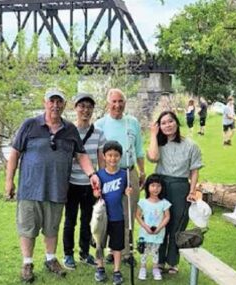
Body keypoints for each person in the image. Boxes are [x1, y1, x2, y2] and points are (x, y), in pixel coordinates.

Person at [5, 89, 100, 283]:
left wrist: (92, 174)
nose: (55, 105)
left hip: (57, 189)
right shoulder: (29, 125)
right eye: (52, 101)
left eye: (59, 102)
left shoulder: (70, 129)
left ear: (64, 105)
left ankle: (50, 259)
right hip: (30, 188)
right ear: (45, 103)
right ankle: (27, 263)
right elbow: (14, 152)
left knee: (52, 227)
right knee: (28, 228)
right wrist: (9, 181)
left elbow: (81, 155)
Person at [147, 110, 203, 274]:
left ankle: (173, 262)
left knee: (177, 224)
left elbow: (194, 171)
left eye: (170, 121)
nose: (167, 125)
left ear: (176, 123)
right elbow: (153, 157)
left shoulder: (191, 145)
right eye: (163, 123)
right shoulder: (158, 143)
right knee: (161, 223)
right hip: (161, 186)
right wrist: (153, 134)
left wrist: (192, 191)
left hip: (180, 186)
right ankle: (159, 261)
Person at [95, 88, 145, 264]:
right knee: (109, 212)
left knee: (128, 212)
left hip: (128, 171)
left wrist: (142, 170)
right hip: (109, 174)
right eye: (114, 101)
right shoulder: (100, 124)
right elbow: (99, 153)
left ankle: (126, 251)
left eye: (120, 101)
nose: (117, 105)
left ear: (125, 103)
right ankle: (111, 249)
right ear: (108, 103)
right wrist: (101, 176)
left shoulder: (132, 123)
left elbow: (139, 149)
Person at [62, 93, 106, 269]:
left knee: (88, 220)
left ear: (92, 110)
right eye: (82, 106)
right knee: (70, 220)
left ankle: (85, 253)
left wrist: (100, 182)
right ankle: (68, 254)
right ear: (75, 108)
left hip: (90, 184)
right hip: (71, 183)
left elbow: (101, 160)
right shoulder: (67, 132)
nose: (85, 110)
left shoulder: (99, 133)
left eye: (89, 107)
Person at [93, 140, 132, 285]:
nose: (112, 159)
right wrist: (96, 193)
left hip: (117, 216)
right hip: (102, 217)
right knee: (99, 243)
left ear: (120, 157)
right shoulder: (100, 175)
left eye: (116, 156)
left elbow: (125, 191)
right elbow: (95, 192)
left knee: (117, 245)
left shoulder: (124, 174)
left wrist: (127, 192)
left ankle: (117, 270)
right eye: (109, 155)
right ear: (104, 156)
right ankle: (100, 267)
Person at [136, 174, 171, 281]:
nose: (155, 189)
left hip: (158, 232)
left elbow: (167, 216)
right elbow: (137, 215)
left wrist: (159, 228)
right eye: (153, 185)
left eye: (158, 186)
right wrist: (145, 227)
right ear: (148, 187)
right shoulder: (143, 202)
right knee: (144, 251)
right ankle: (143, 268)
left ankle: (155, 268)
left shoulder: (164, 203)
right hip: (145, 233)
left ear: (162, 188)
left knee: (156, 251)